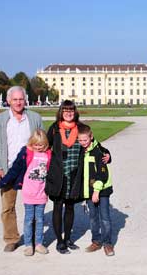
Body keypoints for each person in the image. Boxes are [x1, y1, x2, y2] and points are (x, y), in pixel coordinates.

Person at [44, 100, 111, 254]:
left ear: (75, 112)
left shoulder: (80, 128)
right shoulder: (55, 128)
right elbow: (45, 147)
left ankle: (68, 238)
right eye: (65, 110)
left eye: (71, 110)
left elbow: (96, 146)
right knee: (57, 207)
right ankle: (60, 242)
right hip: (58, 173)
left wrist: (108, 155)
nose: (68, 113)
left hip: (75, 174)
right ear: (61, 112)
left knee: (69, 207)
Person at [0, 86, 43, 252]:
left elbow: (43, 142)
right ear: (8, 101)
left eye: (21, 99)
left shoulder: (34, 118)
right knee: (7, 207)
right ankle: (11, 238)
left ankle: (34, 238)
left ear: (25, 100)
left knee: (33, 206)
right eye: (15, 99)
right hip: (8, 169)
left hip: (31, 170)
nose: (18, 102)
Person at [0, 129, 51, 256]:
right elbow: (15, 169)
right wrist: (2, 182)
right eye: (36, 145)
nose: (38, 147)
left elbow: (53, 172)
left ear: (45, 144)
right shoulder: (26, 153)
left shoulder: (48, 155)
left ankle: (38, 243)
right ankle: (28, 245)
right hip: (29, 193)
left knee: (40, 219)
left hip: (41, 193)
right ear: (31, 143)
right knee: (29, 219)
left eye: (41, 145)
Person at [77, 124, 115, 256]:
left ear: (91, 137)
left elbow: (102, 173)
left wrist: (97, 191)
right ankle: (96, 241)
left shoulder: (99, 151)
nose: (82, 143)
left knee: (104, 217)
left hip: (101, 190)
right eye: (80, 140)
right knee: (93, 217)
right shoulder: (80, 150)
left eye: (85, 140)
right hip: (88, 190)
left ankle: (108, 243)